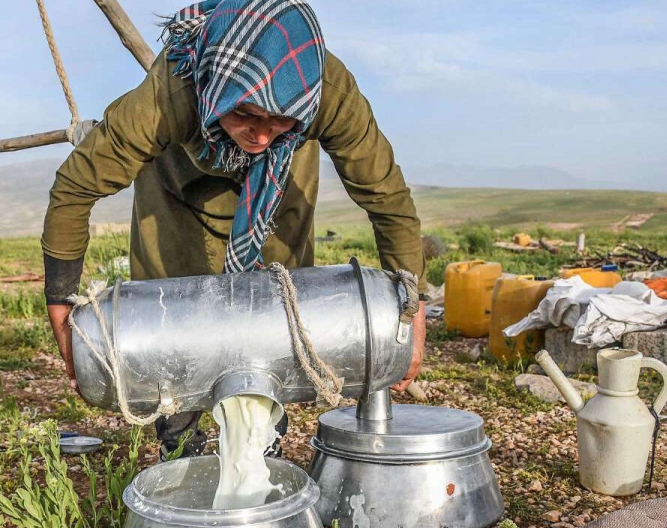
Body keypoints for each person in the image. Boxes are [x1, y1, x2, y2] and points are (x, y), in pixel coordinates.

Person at [43, 0, 427, 460]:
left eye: (279, 119)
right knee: (171, 321)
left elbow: (386, 196)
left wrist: (413, 307)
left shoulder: (323, 87)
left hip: (275, 192)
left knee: (277, 313)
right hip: (177, 195)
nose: (260, 135)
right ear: (219, 89)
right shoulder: (176, 88)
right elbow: (74, 187)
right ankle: (180, 445)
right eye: (245, 113)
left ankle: (261, 449)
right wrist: (61, 300)